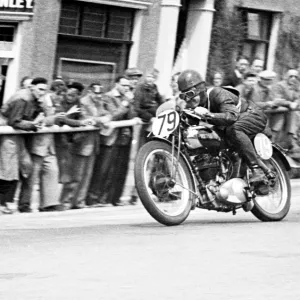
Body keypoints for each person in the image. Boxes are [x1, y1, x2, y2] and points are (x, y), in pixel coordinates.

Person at [177, 69, 270, 183]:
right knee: (206, 139)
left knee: (234, 128)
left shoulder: (216, 93)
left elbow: (232, 116)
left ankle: (257, 170)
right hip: (229, 126)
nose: (188, 99)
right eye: (183, 96)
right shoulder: (193, 108)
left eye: (190, 94)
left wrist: (207, 115)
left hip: (253, 115)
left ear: (200, 89)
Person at [2, 77, 62, 212]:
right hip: (8, 137)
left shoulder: (33, 99)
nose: (42, 93)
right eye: (40, 89)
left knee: (24, 167)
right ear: (32, 87)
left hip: (17, 136)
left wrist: (35, 123)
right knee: (9, 171)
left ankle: (13, 203)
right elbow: (14, 121)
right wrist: (33, 126)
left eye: (44, 90)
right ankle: (9, 203)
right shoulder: (22, 99)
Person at [270, 69, 300, 153]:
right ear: (285, 76)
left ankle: (288, 147)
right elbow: (276, 100)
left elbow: (298, 98)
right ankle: (271, 146)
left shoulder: (296, 87)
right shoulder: (279, 85)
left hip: (289, 114)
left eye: (295, 77)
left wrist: (296, 102)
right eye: (291, 76)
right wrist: (289, 103)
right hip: (276, 112)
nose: (293, 78)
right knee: (276, 129)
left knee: (293, 124)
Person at [134, 71, 164, 147]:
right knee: (144, 142)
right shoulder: (140, 88)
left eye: (152, 77)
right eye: (148, 77)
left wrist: (163, 109)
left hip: (154, 115)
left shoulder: (154, 87)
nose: (150, 79)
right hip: (144, 115)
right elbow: (137, 108)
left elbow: (160, 100)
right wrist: (149, 117)